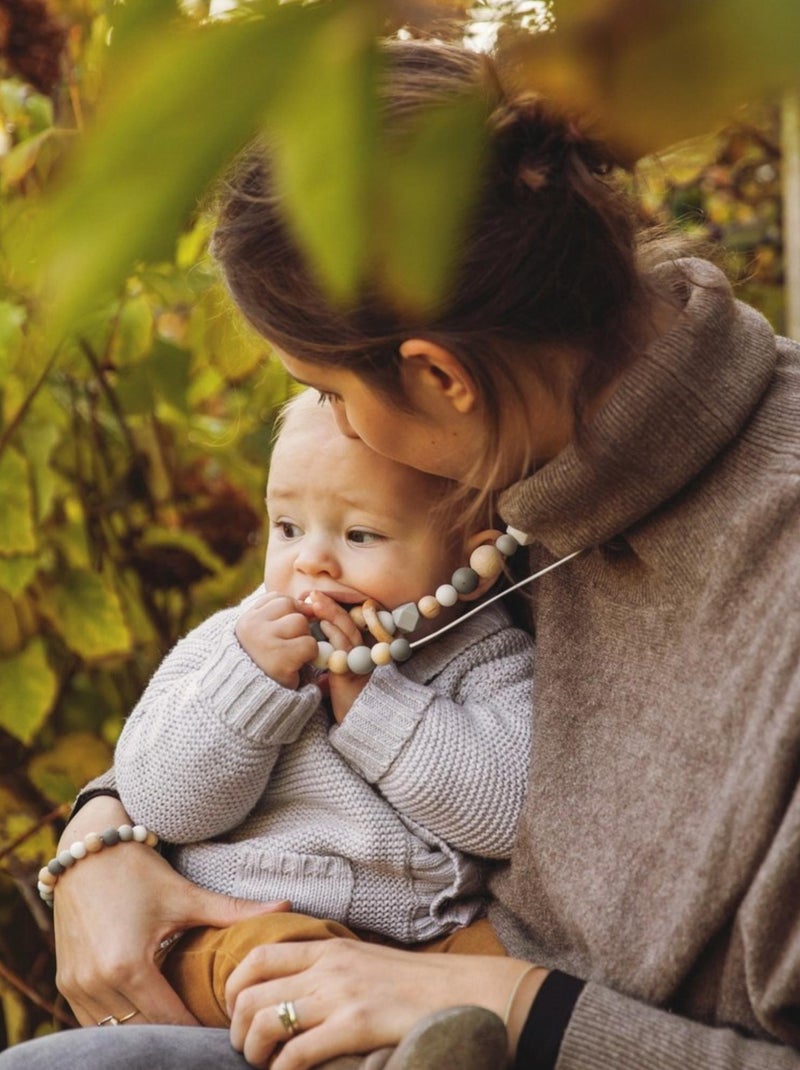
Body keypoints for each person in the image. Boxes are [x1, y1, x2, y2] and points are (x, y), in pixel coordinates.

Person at [3, 34, 799, 1070]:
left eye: (331, 392)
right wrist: (102, 837)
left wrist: (511, 1003)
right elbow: (287, 698)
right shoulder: (523, 453)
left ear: (438, 377)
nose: (336, 442)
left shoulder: (754, 576)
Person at [103, 387, 534, 1028]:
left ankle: (420, 1044)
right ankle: (366, 1052)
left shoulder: (488, 657)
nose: (310, 560)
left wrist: (376, 710)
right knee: (268, 964)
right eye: (287, 528)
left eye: (360, 534)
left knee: (515, 972)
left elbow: (513, 813)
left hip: (422, 944)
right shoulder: (233, 643)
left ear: (474, 557)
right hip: (248, 919)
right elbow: (160, 800)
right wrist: (250, 687)